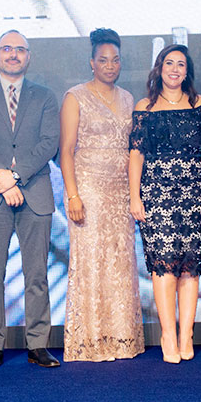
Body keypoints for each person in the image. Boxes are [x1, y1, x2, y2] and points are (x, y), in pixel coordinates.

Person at [0, 30, 61, 369]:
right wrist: (5, 182)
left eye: (20, 49)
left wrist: (16, 176)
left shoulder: (45, 96)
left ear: (28, 56)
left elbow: (49, 143)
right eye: (6, 48)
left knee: (37, 275)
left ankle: (38, 345)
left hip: (35, 193)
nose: (13, 54)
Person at [59, 28, 145, 362]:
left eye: (115, 60)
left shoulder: (128, 98)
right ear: (92, 63)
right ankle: (92, 340)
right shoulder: (76, 96)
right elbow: (66, 150)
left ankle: (121, 337)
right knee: (91, 263)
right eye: (103, 60)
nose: (110, 66)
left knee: (120, 263)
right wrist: (73, 196)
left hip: (121, 192)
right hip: (89, 190)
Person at [129, 44, 201, 364]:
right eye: (169, 63)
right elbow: (136, 155)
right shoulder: (145, 107)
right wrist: (135, 196)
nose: (175, 69)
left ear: (187, 71)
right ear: (159, 68)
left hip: (194, 197)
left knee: (190, 267)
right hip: (156, 196)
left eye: (181, 64)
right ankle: (168, 334)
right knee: (164, 266)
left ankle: (186, 335)